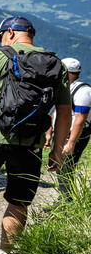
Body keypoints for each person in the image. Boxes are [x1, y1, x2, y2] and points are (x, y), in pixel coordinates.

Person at [0, 16, 71, 248]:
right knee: (19, 200)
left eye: (1, 37)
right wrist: (57, 150)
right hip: (31, 142)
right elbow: (64, 112)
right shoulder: (57, 64)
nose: (1, 42)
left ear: (10, 32)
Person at [43, 58, 90, 198]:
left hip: (76, 134)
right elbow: (56, 113)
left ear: (67, 72)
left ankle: (67, 201)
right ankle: (66, 198)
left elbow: (80, 120)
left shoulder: (84, 91)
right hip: (64, 132)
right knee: (61, 166)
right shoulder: (65, 89)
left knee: (65, 168)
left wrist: (71, 143)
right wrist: (49, 133)